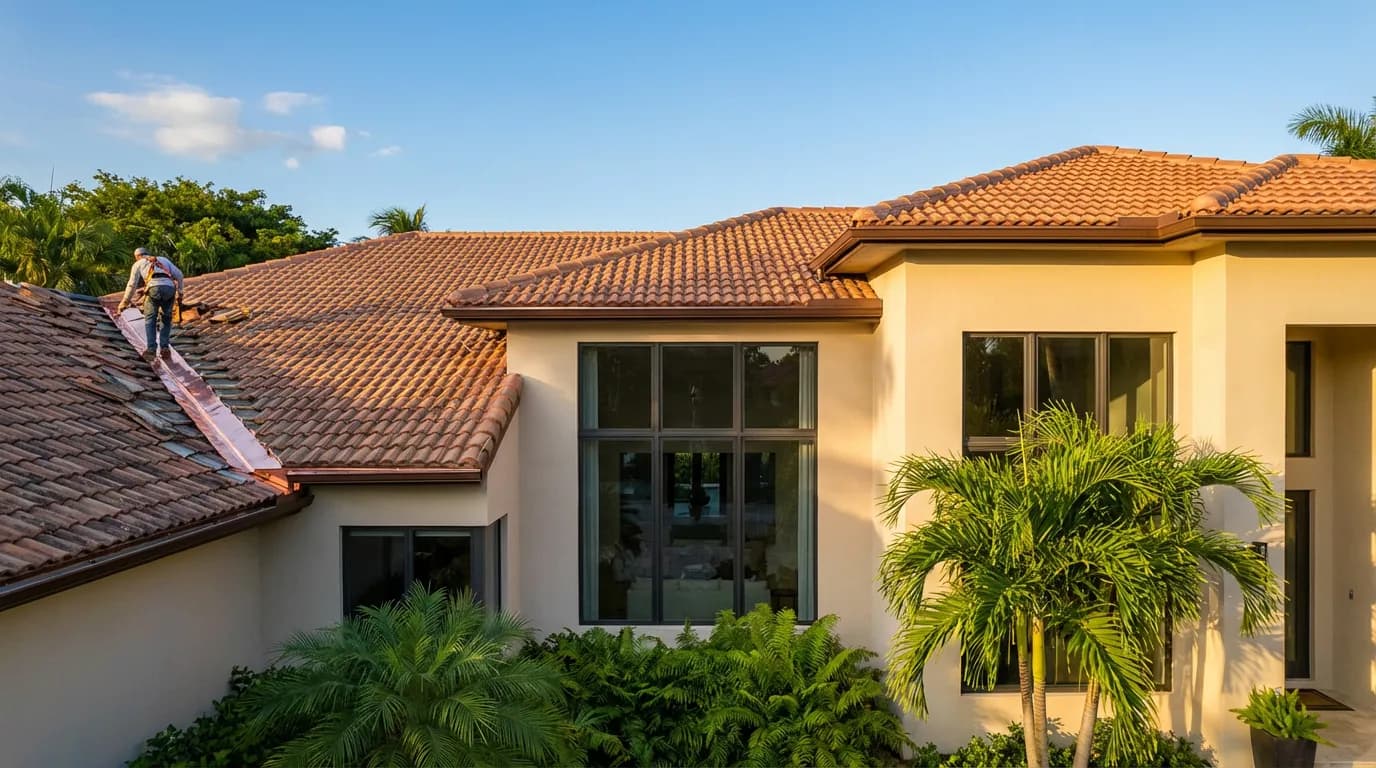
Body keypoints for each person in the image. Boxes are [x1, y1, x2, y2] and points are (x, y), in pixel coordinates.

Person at [116, 247, 185, 361]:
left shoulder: (139, 263)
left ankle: (151, 350)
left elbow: (132, 284)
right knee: (166, 318)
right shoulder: (163, 260)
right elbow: (180, 275)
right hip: (170, 289)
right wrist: (180, 292)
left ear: (137, 257)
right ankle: (165, 347)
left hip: (154, 288)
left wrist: (124, 302)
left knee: (150, 318)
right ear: (147, 253)